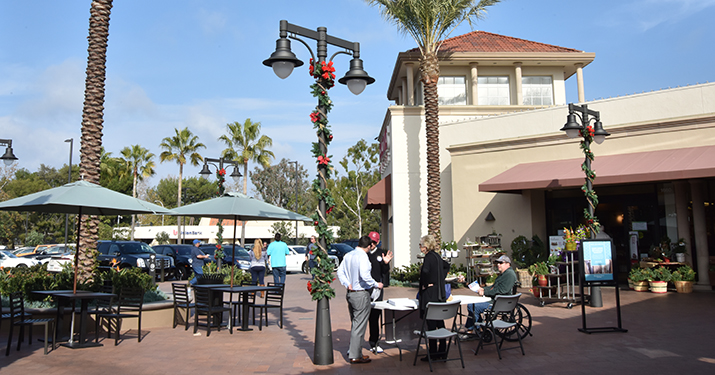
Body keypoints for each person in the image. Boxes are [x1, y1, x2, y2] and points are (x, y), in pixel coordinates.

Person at [337, 235, 383, 364]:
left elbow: (340, 272)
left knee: (355, 323)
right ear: (368, 246)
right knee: (359, 325)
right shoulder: (363, 257)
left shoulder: (348, 255)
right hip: (361, 293)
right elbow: (365, 274)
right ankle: (355, 355)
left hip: (350, 293)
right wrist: (375, 284)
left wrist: (347, 283)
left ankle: (356, 351)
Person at [463, 254, 517, 337]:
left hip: (498, 303)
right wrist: (483, 289)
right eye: (497, 263)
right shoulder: (505, 274)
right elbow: (494, 287)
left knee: (472, 306)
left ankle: (477, 329)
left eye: (501, 263)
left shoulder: (509, 275)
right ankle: (474, 328)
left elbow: (501, 290)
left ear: (507, 264)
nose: (498, 265)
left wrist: (485, 292)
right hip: (498, 301)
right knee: (472, 304)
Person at [418, 234, 451, 360]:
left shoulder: (428, 257)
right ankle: (441, 351)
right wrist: (439, 279)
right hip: (439, 293)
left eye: (421, 245)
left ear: (425, 246)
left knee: (431, 323)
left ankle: (432, 353)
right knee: (440, 322)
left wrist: (426, 284)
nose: (420, 247)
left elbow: (425, 271)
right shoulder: (437, 256)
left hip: (430, 294)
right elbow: (446, 266)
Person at [366, 231, 393, 354]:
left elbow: (385, 271)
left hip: (376, 289)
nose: (371, 244)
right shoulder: (363, 253)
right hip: (364, 289)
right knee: (360, 317)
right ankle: (355, 343)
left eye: (374, 242)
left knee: (375, 316)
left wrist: (386, 263)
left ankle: (374, 342)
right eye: (370, 241)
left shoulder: (380, 253)